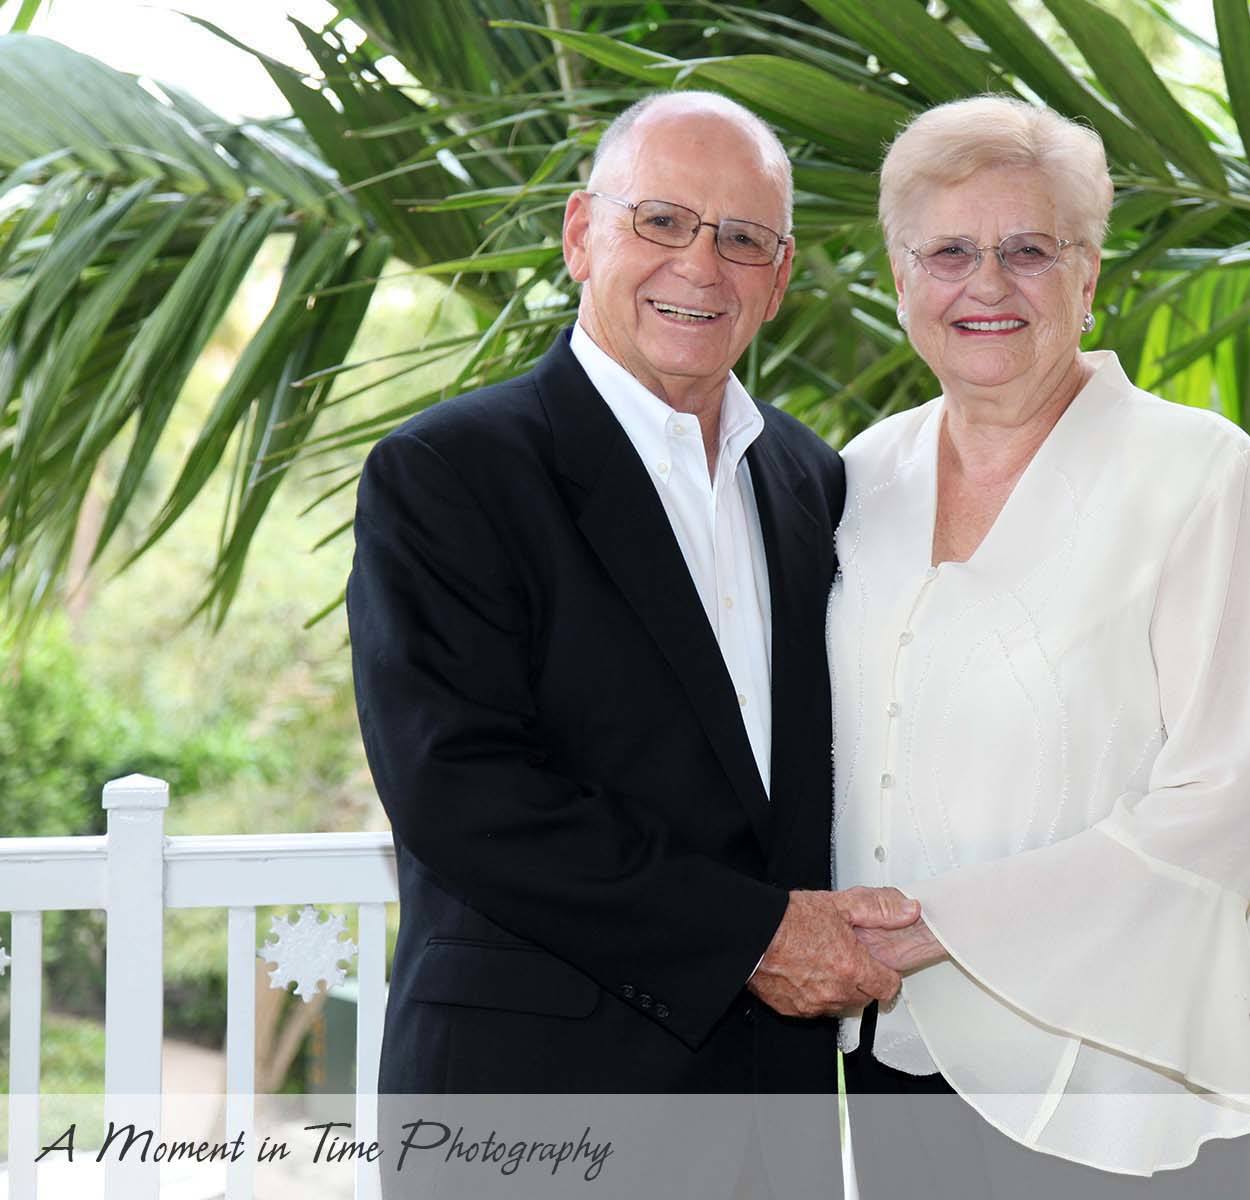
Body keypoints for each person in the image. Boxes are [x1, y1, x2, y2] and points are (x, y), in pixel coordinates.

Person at [346, 91, 918, 1194]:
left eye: (743, 238)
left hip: (773, 1114)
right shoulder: (451, 472)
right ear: (580, 234)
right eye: (660, 220)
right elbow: (459, 790)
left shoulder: (812, 480)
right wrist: (757, 938)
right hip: (534, 1106)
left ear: (779, 280)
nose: (700, 265)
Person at [831, 96, 1250, 1198]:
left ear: (1088, 277)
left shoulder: (1202, 475)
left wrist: (939, 928)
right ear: (901, 278)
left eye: (1029, 250)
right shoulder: (858, 477)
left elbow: (1226, 801)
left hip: (1141, 1065)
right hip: (904, 1051)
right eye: (949, 252)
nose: (986, 284)